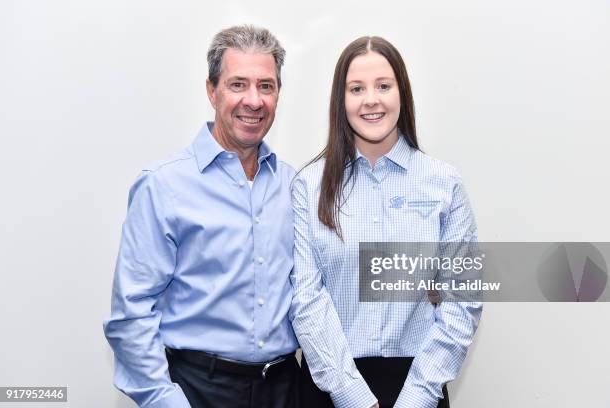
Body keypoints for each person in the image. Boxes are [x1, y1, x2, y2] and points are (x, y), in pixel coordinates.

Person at [103, 25, 300, 408]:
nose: (253, 101)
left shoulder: (294, 186)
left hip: (285, 390)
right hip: (198, 391)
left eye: (266, 86)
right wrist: (166, 401)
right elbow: (131, 314)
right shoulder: (164, 186)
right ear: (212, 91)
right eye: (238, 84)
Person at [289, 36, 482, 408]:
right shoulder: (308, 186)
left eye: (383, 86)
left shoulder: (445, 184)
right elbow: (306, 299)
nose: (371, 99)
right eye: (356, 88)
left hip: (417, 384)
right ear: (340, 101)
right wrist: (353, 395)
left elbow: (464, 299)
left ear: (401, 94)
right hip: (331, 386)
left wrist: (417, 396)